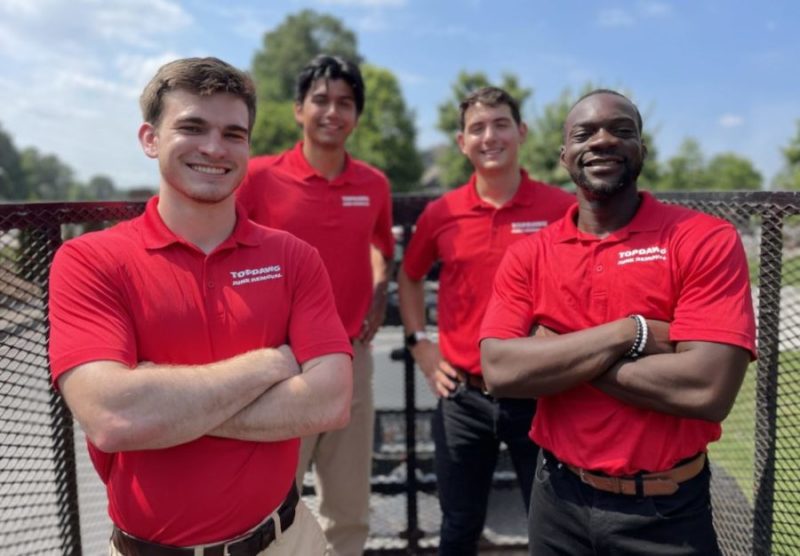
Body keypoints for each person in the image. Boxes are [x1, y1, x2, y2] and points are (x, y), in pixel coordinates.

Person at [48, 57, 354, 556]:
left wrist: (165, 411)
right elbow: (112, 417)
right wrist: (270, 364)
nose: (215, 148)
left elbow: (330, 401)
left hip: (286, 541)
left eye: (234, 133)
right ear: (150, 139)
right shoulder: (89, 260)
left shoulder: (293, 257)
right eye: (192, 127)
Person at [479, 89, 757, 556]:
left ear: (642, 151)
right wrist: (631, 333)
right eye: (585, 133)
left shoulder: (704, 239)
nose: (603, 140)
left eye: (621, 130)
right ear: (563, 155)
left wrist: (557, 353)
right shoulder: (530, 255)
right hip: (557, 502)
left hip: (667, 511)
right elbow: (501, 372)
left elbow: (707, 390)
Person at [397, 86, 573, 555]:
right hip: (463, 398)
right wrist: (420, 343)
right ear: (461, 142)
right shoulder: (442, 213)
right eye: (477, 128)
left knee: (552, 527)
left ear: (522, 131)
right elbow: (409, 276)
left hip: (540, 396)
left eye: (500, 124)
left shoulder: (561, 210)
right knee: (458, 526)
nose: (489, 136)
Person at [237, 54, 394, 556]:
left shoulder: (373, 184)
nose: (333, 111)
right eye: (321, 100)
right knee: (270, 502)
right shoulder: (258, 177)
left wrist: (380, 290)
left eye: (345, 103)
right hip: (278, 362)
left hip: (351, 357)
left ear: (357, 115)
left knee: (349, 505)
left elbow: (380, 248)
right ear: (297, 110)